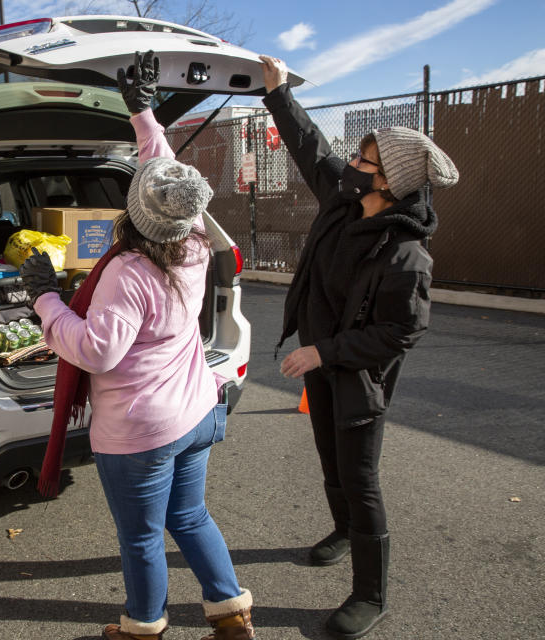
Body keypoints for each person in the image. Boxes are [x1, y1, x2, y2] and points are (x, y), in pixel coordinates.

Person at [20, 51, 255, 640]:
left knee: (143, 536)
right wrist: (142, 111)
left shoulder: (128, 272)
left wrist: (46, 299)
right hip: (197, 411)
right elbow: (168, 176)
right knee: (191, 515)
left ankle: (144, 627)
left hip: (141, 432)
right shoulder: (194, 238)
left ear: (133, 212)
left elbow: (96, 352)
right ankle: (233, 616)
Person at [259, 56, 459, 639]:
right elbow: (309, 148)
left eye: (363, 160)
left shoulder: (406, 254)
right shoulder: (344, 201)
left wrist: (325, 352)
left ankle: (371, 595)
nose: (350, 163)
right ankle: (343, 531)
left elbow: (402, 331)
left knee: (360, 476)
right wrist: (278, 95)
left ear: (389, 181)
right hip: (321, 363)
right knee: (329, 458)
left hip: (357, 376)